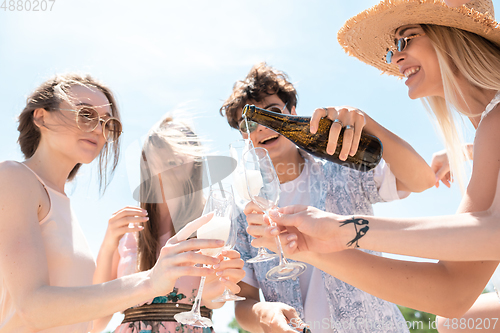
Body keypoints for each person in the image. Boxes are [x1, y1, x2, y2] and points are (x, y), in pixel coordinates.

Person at [249, 0, 500, 331]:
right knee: (455, 322)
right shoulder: (489, 126)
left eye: (407, 39)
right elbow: (452, 292)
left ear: (452, 36)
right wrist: (312, 250)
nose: (395, 57)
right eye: (393, 47)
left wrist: (344, 229)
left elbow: (493, 233)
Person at [219, 62, 436, 332]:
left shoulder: (343, 165)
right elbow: (244, 301)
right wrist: (263, 314)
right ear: (243, 135)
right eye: (250, 122)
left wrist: (368, 123)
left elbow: (422, 181)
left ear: (293, 113)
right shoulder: (244, 212)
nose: (262, 126)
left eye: (273, 113)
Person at [0, 73, 226, 332]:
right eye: (85, 114)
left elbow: (85, 321)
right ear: (41, 116)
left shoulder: (62, 205)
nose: (99, 129)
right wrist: (151, 280)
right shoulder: (14, 177)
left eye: (108, 124)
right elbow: (31, 308)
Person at [94, 115, 245, 333]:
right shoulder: (127, 230)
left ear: (195, 162)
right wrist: (109, 245)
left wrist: (221, 284)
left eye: (182, 145)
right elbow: (94, 322)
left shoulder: (209, 223)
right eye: (162, 145)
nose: (172, 154)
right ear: (146, 160)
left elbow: (214, 301)